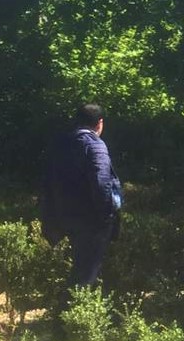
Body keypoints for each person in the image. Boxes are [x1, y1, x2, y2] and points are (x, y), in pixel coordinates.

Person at [40, 104, 123, 296]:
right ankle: (71, 320)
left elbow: (48, 180)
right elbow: (102, 182)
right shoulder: (95, 144)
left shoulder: (61, 143)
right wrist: (105, 215)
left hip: (64, 216)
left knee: (81, 269)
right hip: (91, 219)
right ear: (99, 123)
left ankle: (80, 315)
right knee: (86, 275)